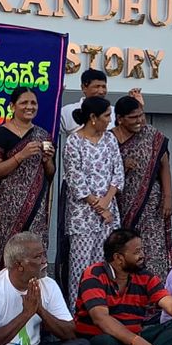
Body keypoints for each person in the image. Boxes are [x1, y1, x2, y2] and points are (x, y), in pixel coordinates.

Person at [0, 86, 54, 273]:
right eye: (24, 102)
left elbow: (50, 174)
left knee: (36, 256)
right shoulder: (0, 134)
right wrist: (20, 156)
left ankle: (35, 290)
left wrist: (47, 161)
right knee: (9, 257)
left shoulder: (43, 135)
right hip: (8, 210)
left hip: (37, 209)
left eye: (33, 103)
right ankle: (6, 291)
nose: (29, 107)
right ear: (12, 106)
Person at [63, 95, 123, 282]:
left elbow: (118, 172)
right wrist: (99, 207)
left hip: (108, 212)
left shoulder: (110, 139)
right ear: (93, 118)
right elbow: (75, 179)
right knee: (81, 266)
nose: (109, 120)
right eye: (106, 115)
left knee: (105, 264)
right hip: (83, 215)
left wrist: (107, 202)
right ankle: (79, 301)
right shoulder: (74, 141)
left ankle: (101, 299)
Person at [113, 94, 172, 276]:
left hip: (151, 206)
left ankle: (155, 288)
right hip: (120, 205)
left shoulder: (152, 135)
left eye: (141, 115)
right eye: (133, 117)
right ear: (120, 119)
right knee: (126, 250)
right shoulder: (109, 140)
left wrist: (168, 197)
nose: (139, 120)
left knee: (153, 250)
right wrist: (123, 166)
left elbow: (164, 166)